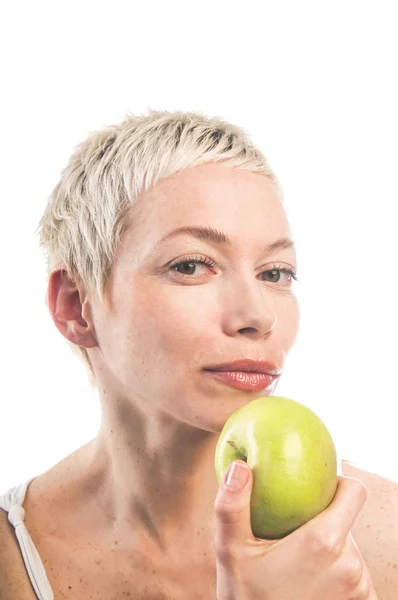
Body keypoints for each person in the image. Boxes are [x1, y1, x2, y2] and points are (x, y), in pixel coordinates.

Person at [0, 109, 396, 599]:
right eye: (192, 265)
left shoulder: (380, 537)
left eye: (275, 273)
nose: (257, 315)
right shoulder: (12, 560)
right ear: (76, 306)